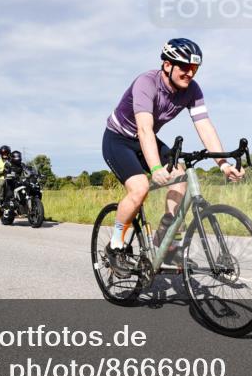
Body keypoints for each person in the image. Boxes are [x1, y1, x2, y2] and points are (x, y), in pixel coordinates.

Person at [101, 38, 244, 275]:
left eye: (194, 69)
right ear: (167, 65)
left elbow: (205, 125)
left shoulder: (192, 90)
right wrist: (155, 168)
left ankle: (166, 240)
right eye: (185, 67)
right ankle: (115, 245)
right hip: (119, 139)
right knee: (139, 189)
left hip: (146, 139)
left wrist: (223, 164)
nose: (190, 74)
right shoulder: (146, 83)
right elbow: (145, 130)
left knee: (181, 174)